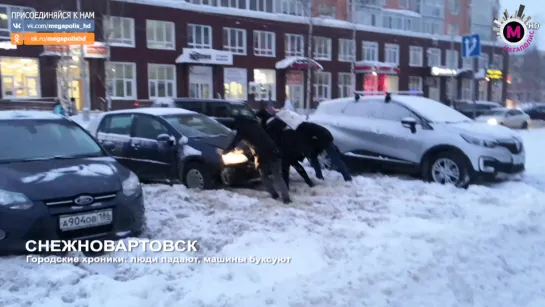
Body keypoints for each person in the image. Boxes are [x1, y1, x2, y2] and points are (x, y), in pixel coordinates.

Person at [221, 113, 291, 204]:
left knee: (264, 176)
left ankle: (274, 195)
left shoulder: (242, 130)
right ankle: (286, 199)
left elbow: (235, 142)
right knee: (278, 176)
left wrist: (225, 152)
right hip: (274, 151)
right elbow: (259, 139)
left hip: (262, 156)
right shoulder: (255, 124)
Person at [274, 109, 352, 182]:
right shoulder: (301, 129)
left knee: (335, 159)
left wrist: (302, 153)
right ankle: (319, 177)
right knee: (313, 159)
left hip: (325, 139)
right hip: (317, 141)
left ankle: (347, 177)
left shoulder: (300, 131)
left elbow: (304, 145)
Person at [255, 109, 314, 189]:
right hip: (293, 145)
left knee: (285, 167)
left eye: (259, 119)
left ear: (262, 118)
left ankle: (286, 187)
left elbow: (273, 140)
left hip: (286, 147)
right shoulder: (276, 120)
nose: (259, 121)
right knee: (294, 163)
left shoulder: (271, 126)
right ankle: (308, 182)